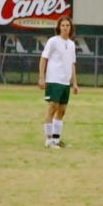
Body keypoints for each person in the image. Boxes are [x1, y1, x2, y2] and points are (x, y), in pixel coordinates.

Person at [39, 16, 79, 149]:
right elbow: (43, 59)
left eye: (67, 25)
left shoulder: (72, 44)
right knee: (52, 108)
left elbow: (72, 64)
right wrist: (41, 77)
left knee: (62, 110)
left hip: (65, 82)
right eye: (63, 25)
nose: (65, 28)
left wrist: (74, 83)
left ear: (71, 28)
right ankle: (48, 140)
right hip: (54, 80)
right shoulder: (53, 41)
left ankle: (56, 140)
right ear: (59, 27)